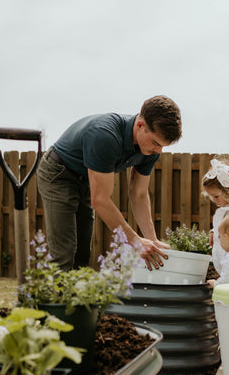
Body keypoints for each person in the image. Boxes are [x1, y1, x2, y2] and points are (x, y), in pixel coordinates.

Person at [37, 95, 182, 271]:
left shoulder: (150, 151)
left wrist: (152, 241)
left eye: (162, 146)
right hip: (58, 173)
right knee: (64, 252)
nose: (158, 151)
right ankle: (52, 297)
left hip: (85, 179)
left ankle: (73, 297)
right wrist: (135, 241)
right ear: (140, 125)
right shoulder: (105, 135)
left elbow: (139, 194)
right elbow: (100, 200)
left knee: (82, 253)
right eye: (155, 143)